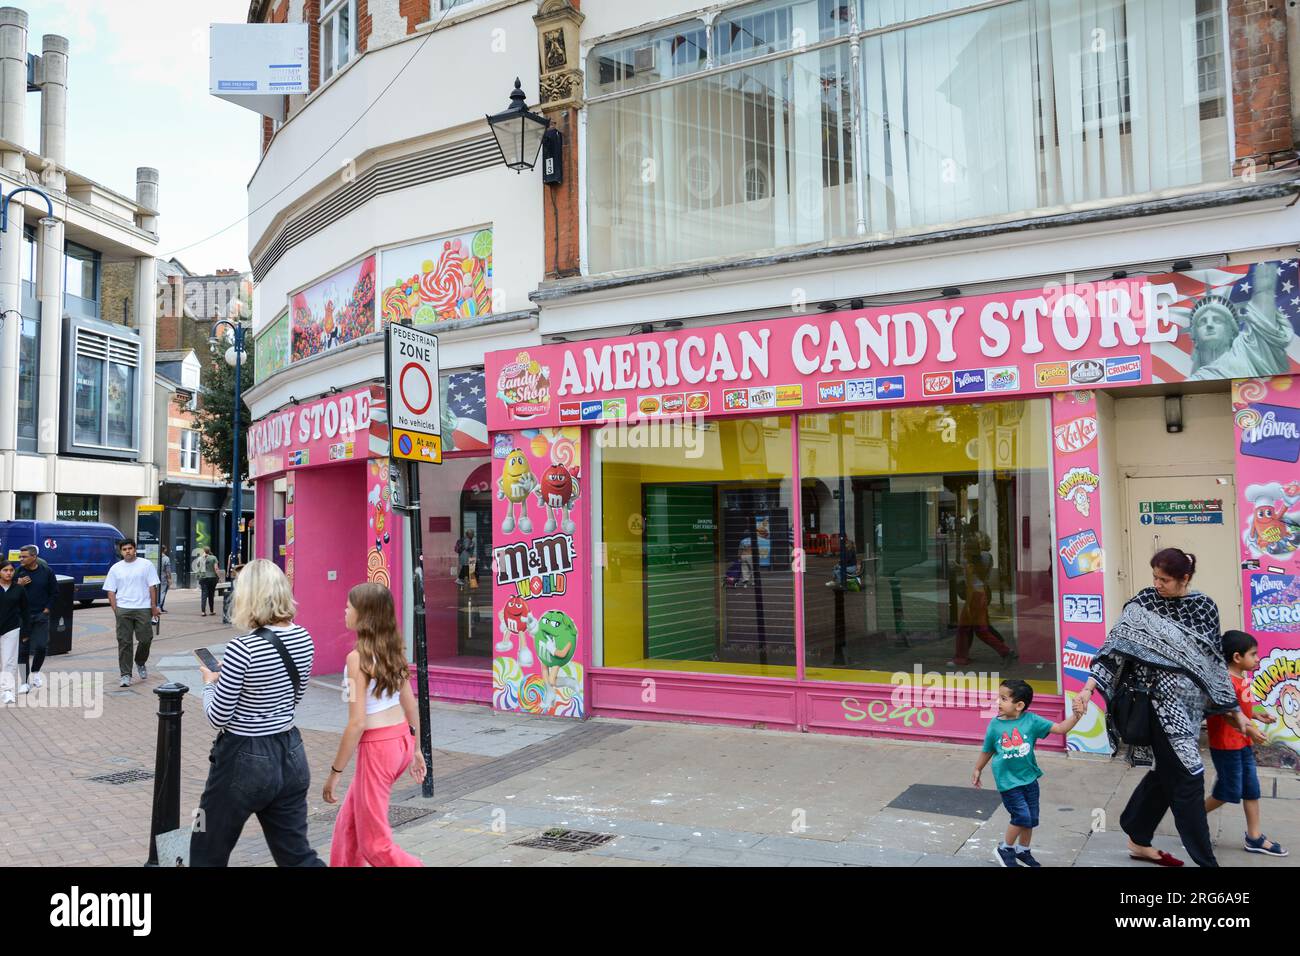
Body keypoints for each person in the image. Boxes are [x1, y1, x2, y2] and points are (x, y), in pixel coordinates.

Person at [1075, 548, 1243, 867]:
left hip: (1187, 710)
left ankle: (1138, 835)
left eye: (1164, 579)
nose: (1157, 584)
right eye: (1154, 576)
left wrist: (1236, 714)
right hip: (1152, 706)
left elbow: (1210, 665)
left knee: (1167, 773)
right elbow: (1114, 650)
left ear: (1185, 579)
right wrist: (1087, 689)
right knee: (1189, 776)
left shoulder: (1203, 608)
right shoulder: (1144, 603)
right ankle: (1206, 862)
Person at [191, 559, 325, 867]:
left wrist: (211, 684)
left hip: (243, 757)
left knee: (204, 847)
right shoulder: (304, 637)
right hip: (290, 752)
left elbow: (217, 717)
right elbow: (294, 697)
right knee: (297, 855)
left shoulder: (242, 648)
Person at [324, 583, 427, 867]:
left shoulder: (356, 659)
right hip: (400, 743)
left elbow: (356, 724)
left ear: (364, 615)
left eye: (349, 606)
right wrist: (416, 749)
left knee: (375, 846)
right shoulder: (393, 650)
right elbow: (410, 704)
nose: (345, 610)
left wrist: (335, 773)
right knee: (348, 827)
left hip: (378, 749)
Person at [973, 679, 1086, 866]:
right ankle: (1005, 849)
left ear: (1019, 705)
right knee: (1021, 817)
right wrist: (978, 768)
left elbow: (1060, 728)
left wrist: (1076, 716)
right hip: (1008, 781)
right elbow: (988, 749)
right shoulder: (995, 725)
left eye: (1003, 698)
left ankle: (1023, 851)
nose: (997, 702)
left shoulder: (1032, 721)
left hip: (1029, 778)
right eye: (998, 697)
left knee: (1031, 818)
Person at [1205, 630, 1288, 857]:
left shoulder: (1244, 677)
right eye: (1253, 654)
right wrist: (1251, 731)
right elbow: (1228, 715)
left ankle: (1254, 838)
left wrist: (1257, 716)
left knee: (1251, 790)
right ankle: (1192, 819)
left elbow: (1243, 710)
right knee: (1227, 793)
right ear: (1237, 657)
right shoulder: (1225, 683)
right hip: (1226, 746)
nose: (1258, 658)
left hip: (1242, 745)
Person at [951, 532, 1014, 667]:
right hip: (981, 595)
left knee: (964, 628)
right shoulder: (980, 561)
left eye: (965, 548)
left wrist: (967, 605)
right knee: (981, 629)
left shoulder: (970, 564)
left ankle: (961, 658)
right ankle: (1005, 650)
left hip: (974, 597)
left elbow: (969, 587)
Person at [104, 538, 160, 688]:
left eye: (130, 548)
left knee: (146, 638)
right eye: (124, 549)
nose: (127, 551)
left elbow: (152, 587)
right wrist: (116, 609)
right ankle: (125, 675)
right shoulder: (115, 568)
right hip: (123, 609)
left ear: (135, 549)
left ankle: (140, 661)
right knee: (124, 643)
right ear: (121, 552)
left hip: (143, 608)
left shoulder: (146, 565)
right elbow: (110, 590)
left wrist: (153, 606)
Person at [14, 545, 55, 694]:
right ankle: (24, 682)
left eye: (24, 556)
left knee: (41, 646)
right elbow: (7, 591)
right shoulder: (18, 572)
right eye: (20, 556)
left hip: (41, 616)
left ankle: (36, 671)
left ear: (34, 557)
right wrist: (18, 585)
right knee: (23, 650)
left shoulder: (47, 572)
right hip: (22, 617)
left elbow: (54, 592)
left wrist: (47, 609)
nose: (21, 559)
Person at [0, 560, 29, 705]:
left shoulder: (19, 589)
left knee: (9, 661)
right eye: (5, 570)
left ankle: (7, 691)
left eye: (11, 570)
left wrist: (25, 632)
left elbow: (25, 611)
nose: (9, 573)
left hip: (11, 628)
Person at [198, 547, 219, 616]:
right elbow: (216, 568)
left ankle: (203, 612)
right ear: (209, 551)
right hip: (212, 578)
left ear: (204, 551)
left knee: (204, 595)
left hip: (203, 578)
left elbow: (198, 567)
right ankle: (211, 611)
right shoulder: (213, 558)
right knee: (211, 594)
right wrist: (219, 576)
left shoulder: (200, 558)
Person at [157, 546, 172, 612]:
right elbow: (168, 570)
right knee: (162, 592)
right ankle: (159, 607)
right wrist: (169, 579)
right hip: (163, 577)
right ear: (164, 550)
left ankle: (160, 607)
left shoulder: (156, 556)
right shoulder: (166, 558)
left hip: (155, 577)